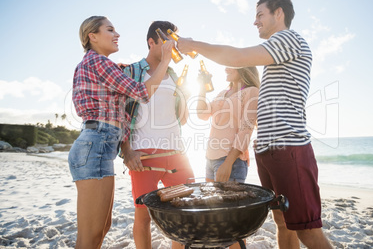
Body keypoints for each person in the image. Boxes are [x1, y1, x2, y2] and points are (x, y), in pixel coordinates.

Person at [177, 0, 332, 249]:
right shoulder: (276, 54)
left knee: (307, 230)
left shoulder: (288, 39)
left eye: (260, 15)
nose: (255, 22)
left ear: (278, 14)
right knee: (283, 222)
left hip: (288, 147)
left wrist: (195, 45)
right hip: (269, 150)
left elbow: (238, 58)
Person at [68, 16, 173, 249]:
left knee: (100, 230)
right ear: (92, 36)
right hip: (95, 145)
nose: (117, 35)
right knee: (90, 236)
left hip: (102, 147)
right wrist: (165, 59)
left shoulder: (102, 65)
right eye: (110, 29)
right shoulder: (97, 61)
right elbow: (141, 93)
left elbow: (121, 112)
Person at [121, 21, 195, 249]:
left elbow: (182, 118)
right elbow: (121, 115)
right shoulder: (131, 71)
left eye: (174, 38)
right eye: (167, 39)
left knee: (184, 214)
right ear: (151, 42)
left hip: (177, 153)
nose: (173, 44)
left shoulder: (175, 75)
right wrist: (126, 151)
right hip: (143, 156)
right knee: (143, 217)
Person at [197, 67, 259, 184]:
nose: (226, 69)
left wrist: (228, 163)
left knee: (226, 202)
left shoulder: (251, 91)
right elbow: (201, 114)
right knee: (210, 202)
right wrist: (202, 87)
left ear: (244, 68)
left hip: (230, 161)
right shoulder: (222, 93)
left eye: (231, 66)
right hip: (210, 158)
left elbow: (245, 131)